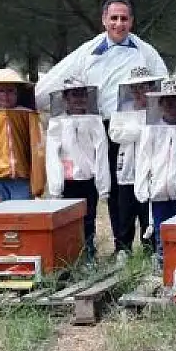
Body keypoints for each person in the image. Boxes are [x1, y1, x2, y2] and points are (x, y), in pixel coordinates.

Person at [35, 0, 169, 258]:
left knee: (146, 184)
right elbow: (58, 77)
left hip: (143, 129)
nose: (119, 24)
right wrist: (33, 101)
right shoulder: (89, 51)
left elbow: (162, 83)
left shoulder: (146, 51)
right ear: (104, 20)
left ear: (132, 21)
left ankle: (151, 243)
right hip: (106, 129)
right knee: (117, 191)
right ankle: (122, 246)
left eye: (124, 18)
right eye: (114, 18)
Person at [45, 78, 110, 262]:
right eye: (74, 94)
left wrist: (103, 185)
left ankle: (89, 254)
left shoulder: (95, 121)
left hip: (88, 180)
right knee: (67, 220)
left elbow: (101, 152)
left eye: (82, 94)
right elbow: (52, 155)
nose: (79, 99)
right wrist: (55, 187)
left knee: (89, 220)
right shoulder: (57, 123)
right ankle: (69, 256)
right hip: (66, 181)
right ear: (65, 98)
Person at [135, 79, 176, 262]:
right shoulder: (151, 130)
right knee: (160, 228)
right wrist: (142, 187)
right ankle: (162, 262)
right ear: (160, 103)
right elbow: (144, 159)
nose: (173, 106)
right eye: (169, 102)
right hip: (158, 191)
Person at [107, 66, 162, 253]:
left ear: (153, 87)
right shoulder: (122, 110)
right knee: (125, 215)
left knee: (148, 216)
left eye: (144, 87)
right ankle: (123, 250)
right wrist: (142, 131)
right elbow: (115, 134)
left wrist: (132, 132)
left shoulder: (159, 111)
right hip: (127, 171)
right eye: (136, 88)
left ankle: (149, 252)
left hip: (150, 173)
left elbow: (159, 137)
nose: (140, 92)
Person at [0, 68, 46, 200]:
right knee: (1, 216)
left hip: (22, 175)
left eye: (10, 91)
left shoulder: (28, 115)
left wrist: (38, 182)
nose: (6, 95)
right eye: (1, 90)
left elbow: (37, 147)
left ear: (18, 93)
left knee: (21, 215)